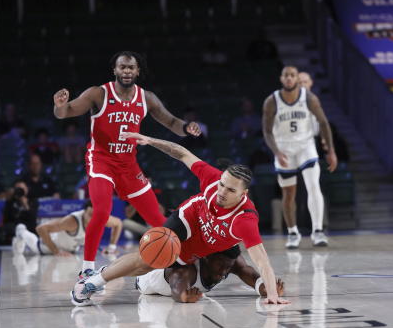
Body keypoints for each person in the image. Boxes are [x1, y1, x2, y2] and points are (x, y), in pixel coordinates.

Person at [71, 131, 290, 306]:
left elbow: (261, 259)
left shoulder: (244, 220)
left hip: (207, 243)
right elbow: (183, 153)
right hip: (189, 220)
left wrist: (271, 293)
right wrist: (150, 140)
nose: (222, 191)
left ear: (244, 195)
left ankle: (104, 273)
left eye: (230, 190)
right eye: (222, 184)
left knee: (229, 263)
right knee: (148, 259)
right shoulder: (213, 180)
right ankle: (92, 283)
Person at [53, 50, 201, 280]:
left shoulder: (146, 98)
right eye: (122, 67)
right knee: (101, 211)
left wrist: (186, 127)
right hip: (101, 160)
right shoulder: (98, 93)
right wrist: (60, 106)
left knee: (159, 221)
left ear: (137, 71)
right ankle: (87, 268)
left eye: (131, 67)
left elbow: (170, 121)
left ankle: (184, 261)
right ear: (115, 70)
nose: (127, 71)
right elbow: (67, 112)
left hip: (128, 164)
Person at [262, 65, 338, 249]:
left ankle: (318, 231)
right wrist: (276, 152)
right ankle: (293, 232)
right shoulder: (272, 100)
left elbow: (324, 123)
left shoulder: (309, 98)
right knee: (288, 195)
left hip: (306, 147)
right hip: (284, 149)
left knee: (314, 187)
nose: (289, 78)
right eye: (286, 75)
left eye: (292, 75)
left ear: (297, 79)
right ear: (281, 78)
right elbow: (266, 130)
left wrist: (331, 151)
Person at [136, 246, 284, 303]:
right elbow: (176, 287)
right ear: (206, 257)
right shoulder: (187, 270)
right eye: (220, 265)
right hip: (148, 280)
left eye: (228, 267)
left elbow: (246, 271)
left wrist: (263, 287)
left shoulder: (228, 261)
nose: (224, 271)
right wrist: (184, 297)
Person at [12, 200, 122, 257]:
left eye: (96, 215)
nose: (93, 218)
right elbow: (41, 229)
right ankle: (21, 230)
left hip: (70, 251)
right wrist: (56, 251)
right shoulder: (72, 221)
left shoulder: (102, 218)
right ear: (84, 212)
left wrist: (111, 247)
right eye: (90, 215)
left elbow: (118, 224)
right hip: (47, 247)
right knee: (33, 242)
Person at [0, 179, 38, 245]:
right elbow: (6, 219)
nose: (20, 191)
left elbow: (33, 218)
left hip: (28, 227)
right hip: (14, 228)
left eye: (22, 188)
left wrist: (26, 205)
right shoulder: (10, 201)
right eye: (18, 189)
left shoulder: (33, 201)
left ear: (26, 189)